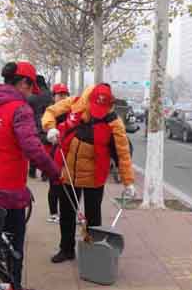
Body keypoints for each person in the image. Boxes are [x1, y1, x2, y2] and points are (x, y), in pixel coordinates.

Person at [0, 61, 61, 290]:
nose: (31, 94)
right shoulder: (20, 109)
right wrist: (54, 171)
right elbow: (32, 148)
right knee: (13, 241)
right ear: (23, 83)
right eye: (31, 88)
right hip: (6, 189)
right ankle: (14, 286)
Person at [42, 83, 135, 264]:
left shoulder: (114, 123)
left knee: (93, 218)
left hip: (95, 176)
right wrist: (50, 127)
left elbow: (123, 154)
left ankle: (92, 252)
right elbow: (50, 111)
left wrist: (128, 182)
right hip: (69, 171)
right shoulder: (75, 103)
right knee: (67, 214)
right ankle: (66, 249)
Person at [45, 83, 70, 224]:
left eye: (65, 94)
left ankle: (68, 212)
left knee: (68, 184)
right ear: (53, 97)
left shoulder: (72, 112)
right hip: (53, 152)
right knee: (55, 184)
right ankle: (53, 213)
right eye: (59, 95)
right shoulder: (49, 113)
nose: (62, 97)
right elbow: (41, 132)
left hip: (68, 152)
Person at [27, 75, 53, 179]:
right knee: (47, 151)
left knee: (34, 150)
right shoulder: (50, 95)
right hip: (47, 125)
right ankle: (45, 173)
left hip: (35, 126)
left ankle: (32, 171)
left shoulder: (33, 96)